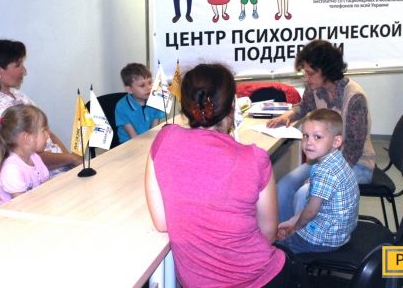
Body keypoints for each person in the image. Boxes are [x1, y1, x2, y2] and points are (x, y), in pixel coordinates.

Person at [144, 63, 305, 287]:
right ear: (232, 106)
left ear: (186, 105)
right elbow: (268, 233)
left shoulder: (164, 139)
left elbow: (162, 223)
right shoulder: (255, 158)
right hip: (262, 278)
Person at [268, 39, 375, 222]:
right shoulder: (315, 89)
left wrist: (321, 178)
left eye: (310, 73)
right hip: (323, 160)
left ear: (326, 71)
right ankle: (286, 235)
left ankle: (304, 236)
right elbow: (304, 107)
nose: (306, 78)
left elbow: (353, 151)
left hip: (356, 164)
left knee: (305, 193)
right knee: (284, 186)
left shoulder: (354, 98)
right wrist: (290, 115)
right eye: (304, 72)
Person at [0, 39, 80, 174]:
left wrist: (70, 161)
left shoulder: (16, 95)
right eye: (18, 65)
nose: (24, 70)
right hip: (37, 177)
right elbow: (26, 157)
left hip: (58, 167)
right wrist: (70, 159)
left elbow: (47, 133)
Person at [277, 109, 359, 253]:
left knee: (278, 248)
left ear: (336, 141)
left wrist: (295, 228)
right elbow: (313, 207)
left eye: (317, 137)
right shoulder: (337, 160)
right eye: (305, 135)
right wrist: (292, 220)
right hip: (340, 233)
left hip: (323, 240)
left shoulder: (325, 172)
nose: (309, 142)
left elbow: (310, 212)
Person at [0, 104, 51, 208]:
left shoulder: (35, 158)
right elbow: (22, 209)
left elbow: (48, 189)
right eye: (43, 130)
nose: (47, 135)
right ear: (27, 137)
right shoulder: (11, 170)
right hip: (14, 217)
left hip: (36, 210)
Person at [114, 63, 165, 143]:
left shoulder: (155, 100)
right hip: (129, 143)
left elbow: (153, 131)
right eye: (142, 85)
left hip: (148, 140)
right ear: (129, 89)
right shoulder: (121, 107)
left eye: (150, 83)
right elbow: (133, 137)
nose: (149, 88)